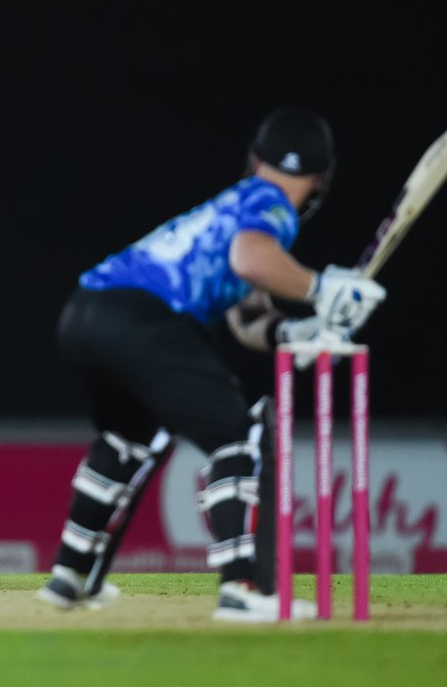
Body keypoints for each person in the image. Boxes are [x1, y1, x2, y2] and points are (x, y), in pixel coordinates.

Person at [34, 106, 386, 622]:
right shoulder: (270, 205)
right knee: (239, 438)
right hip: (145, 319)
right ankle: (242, 588)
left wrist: (299, 330)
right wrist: (322, 288)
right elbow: (251, 259)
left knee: (129, 439)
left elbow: (248, 315)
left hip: (85, 313)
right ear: (321, 177)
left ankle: (71, 575)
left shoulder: (234, 204)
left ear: (256, 158)